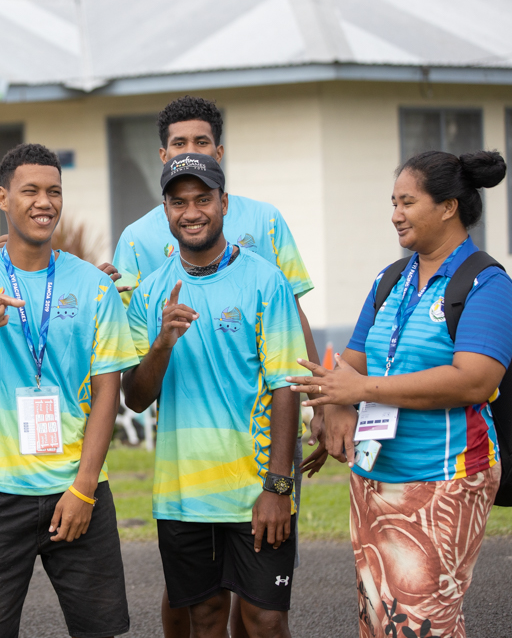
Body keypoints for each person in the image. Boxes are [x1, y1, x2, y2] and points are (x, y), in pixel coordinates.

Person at [111, 96, 320, 637]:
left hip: (255, 489)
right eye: (179, 203)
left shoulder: (263, 281)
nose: (192, 212)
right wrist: (161, 343)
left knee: (266, 619)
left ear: (224, 203)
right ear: (166, 212)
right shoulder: (150, 291)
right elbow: (134, 398)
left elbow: (284, 384)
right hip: (183, 495)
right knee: (203, 617)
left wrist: (278, 487)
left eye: (203, 199)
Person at [288, 150, 512, 638]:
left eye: (407, 202)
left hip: (445, 475)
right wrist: (337, 407)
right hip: (373, 474)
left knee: (424, 620)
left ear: (448, 206)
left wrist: (361, 389)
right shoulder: (390, 280)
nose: (395, 214)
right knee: (379, 617)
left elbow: (475, 379)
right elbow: (354, 361)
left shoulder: (486, 283)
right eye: (393, 202)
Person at [0, 143, 138, 638]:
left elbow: (106, 395)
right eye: (30, 191)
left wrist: (84, 489)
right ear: (4, 197)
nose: (44, 202)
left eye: (54, 191)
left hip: (78, 489)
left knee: (100, 631)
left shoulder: (93, 286)